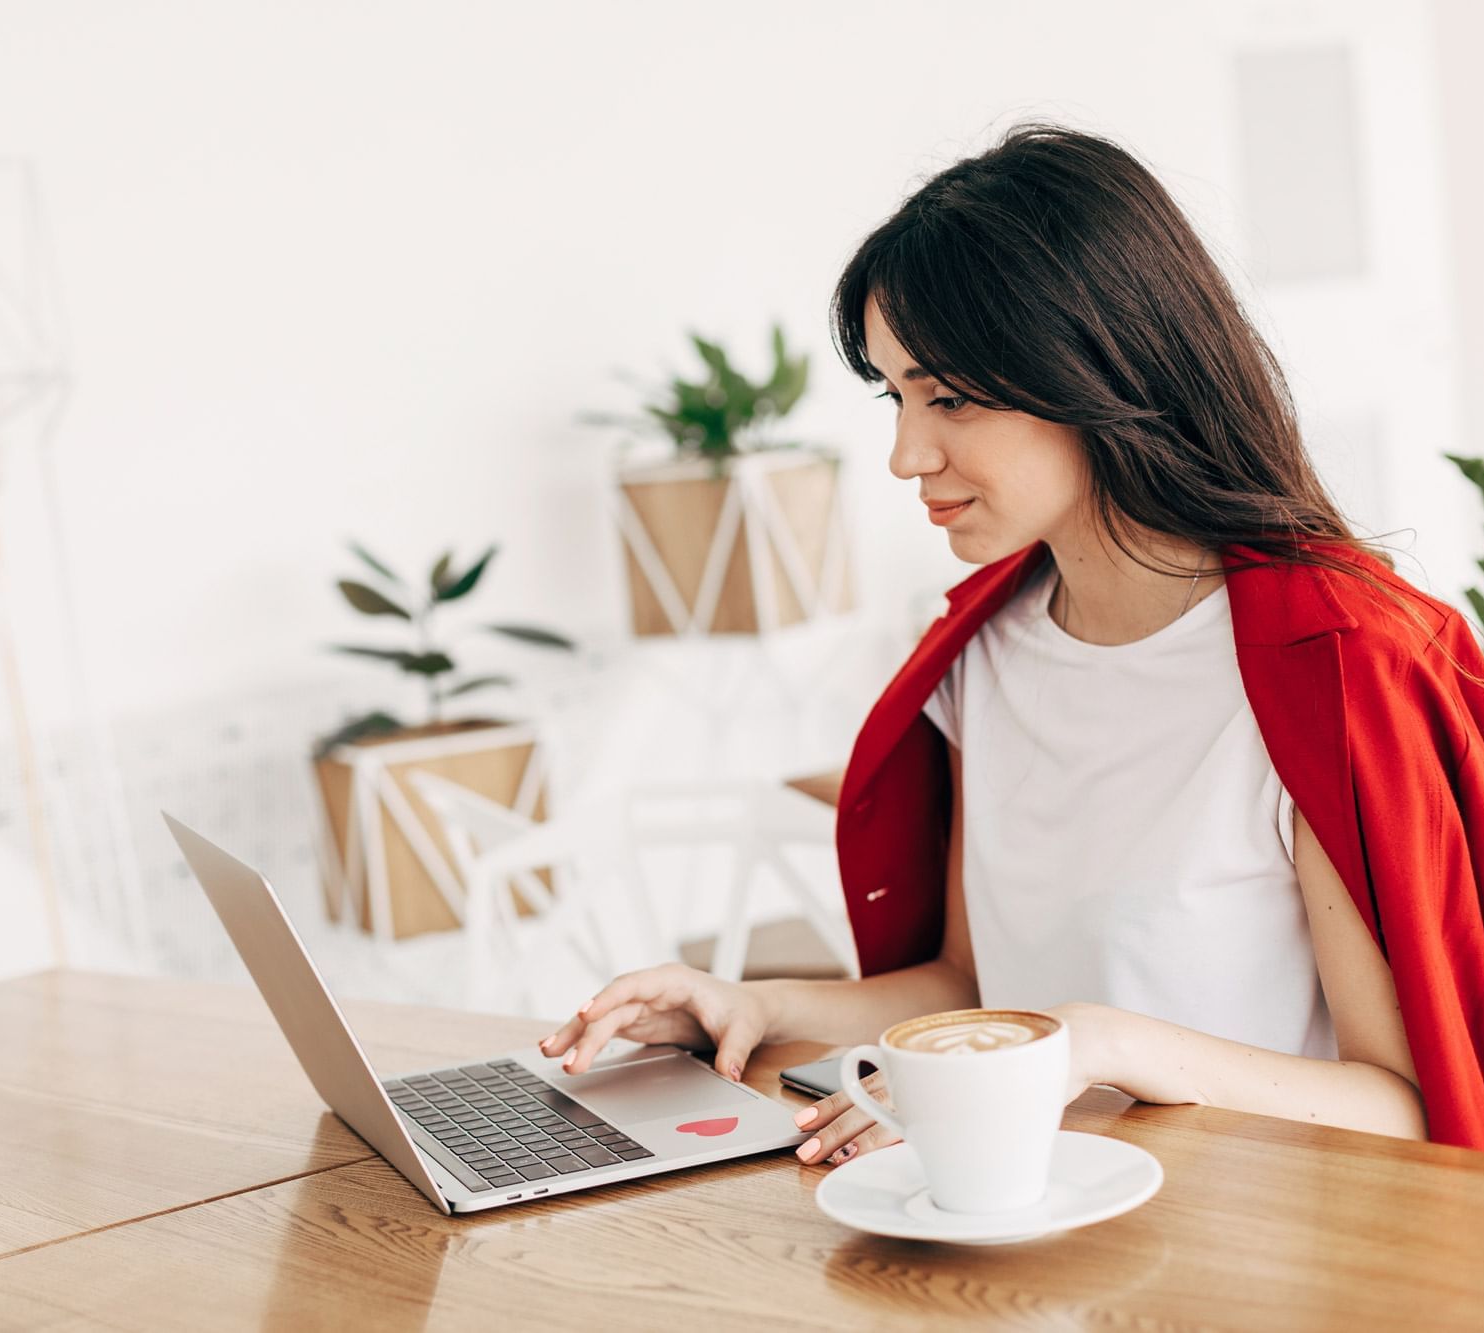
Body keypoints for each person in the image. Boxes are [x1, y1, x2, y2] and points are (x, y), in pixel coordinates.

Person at [543, 124, 1484, 1158]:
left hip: (1259, 1258)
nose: (907, 453)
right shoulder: (984, 654)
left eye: (948, 396)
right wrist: (754, 1004)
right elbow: (969, 987)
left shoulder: (1333, 665)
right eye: (895, 396)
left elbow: (1405, 1106)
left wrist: (1105, 1043)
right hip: (1024, 1241)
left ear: (1097, 367)